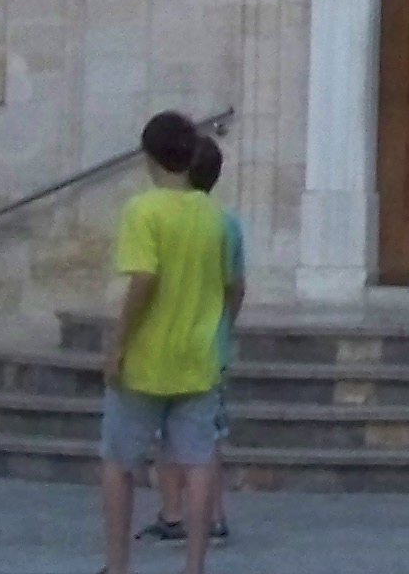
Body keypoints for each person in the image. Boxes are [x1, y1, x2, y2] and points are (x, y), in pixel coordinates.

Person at [100, 112, 227, 574]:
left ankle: (118, 566)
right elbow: (228, 284)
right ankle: (194, 565)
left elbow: (144, 278)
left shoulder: (143, 210)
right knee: (197, 462)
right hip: (197, 356)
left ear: (149, 155)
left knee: (119, 463)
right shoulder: (212, 214)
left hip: (147, 359)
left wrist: (118, 343)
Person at [146, 134, 245, 548]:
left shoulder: (159, 217)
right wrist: (226, 322)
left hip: (163, 342)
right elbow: (235, 285)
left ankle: (174, 514)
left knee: (166, 433)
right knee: (205, 435)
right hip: (210, 342)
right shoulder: (227, 223)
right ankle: (209, 516)